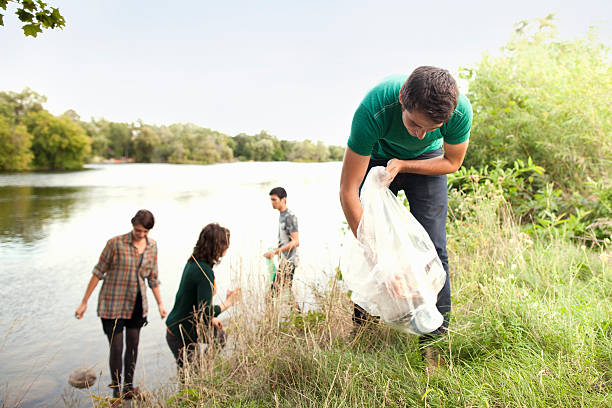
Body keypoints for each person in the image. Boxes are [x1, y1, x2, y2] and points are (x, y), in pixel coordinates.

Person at [339, 66, 472, 368]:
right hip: (376, 156)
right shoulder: (373, 109)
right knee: (368, 240)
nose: (421, 133)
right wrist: (383, 262)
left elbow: (452, 162)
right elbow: (347, 191)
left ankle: (433, 345)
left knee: (435, 248)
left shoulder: (459, 112)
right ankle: (363, 329)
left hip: (427, 162)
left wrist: (405, 164)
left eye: (431, 128)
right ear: (402, 98)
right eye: (414, 124)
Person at [75, 209, 167, 400]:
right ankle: (117, 391)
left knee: (133, 346)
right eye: (137, 230)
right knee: (116, 348)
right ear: (133, 225)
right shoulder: (115, 244)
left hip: (137, 304)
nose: (140, 234)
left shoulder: (153, 246)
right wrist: (84, 302)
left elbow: (153, 277)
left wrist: (160, 304)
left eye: (144, 232)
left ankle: (128, 387)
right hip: (112, 304)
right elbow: (98, 272)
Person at [165, 223, 241, 369]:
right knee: (191, 380)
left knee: (219, 337)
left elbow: (195, 302)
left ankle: (203, 369)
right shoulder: (204, 271)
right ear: (217, 246)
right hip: (180, 334)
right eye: (225, 243)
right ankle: (202, 370)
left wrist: (211, 319)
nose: (228, 247)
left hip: (180, 328)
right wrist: (229, 302)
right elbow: (204, 311)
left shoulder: (194, 262)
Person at [263, 187, 300, 297]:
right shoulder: (282, 215)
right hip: (284, 261)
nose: (272, 203)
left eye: (274, 200)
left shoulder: (289, 217)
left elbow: (295, 242)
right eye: (271, 200)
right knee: (286, 293)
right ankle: (297, 313)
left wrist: (275, 252)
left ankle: (297, 312)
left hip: (289, 262)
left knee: (273, 294)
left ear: (283, 199)